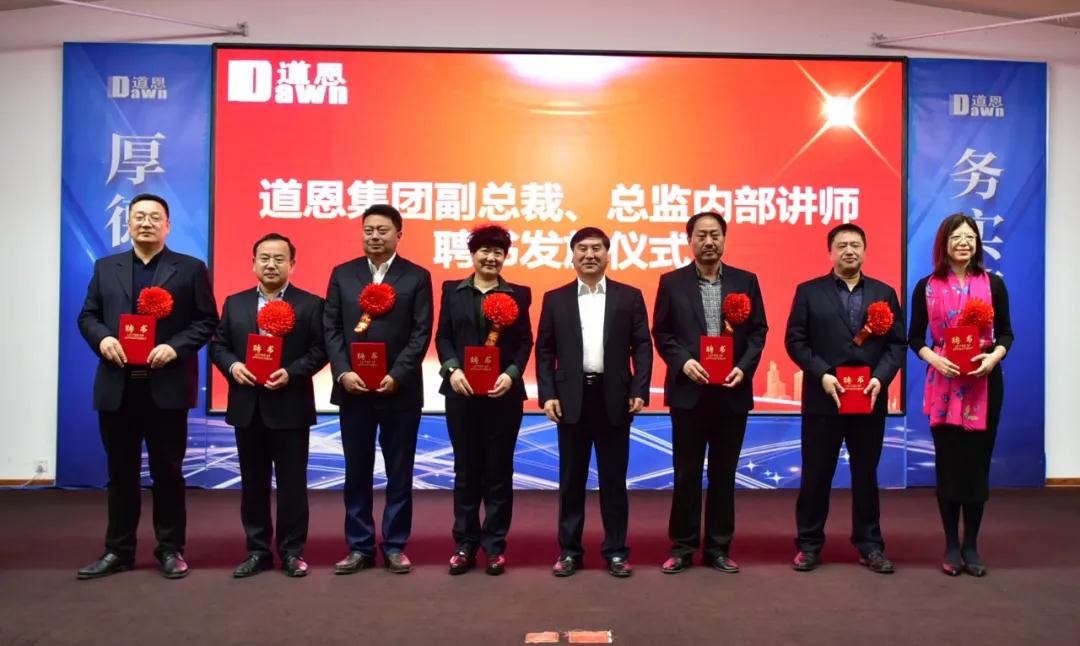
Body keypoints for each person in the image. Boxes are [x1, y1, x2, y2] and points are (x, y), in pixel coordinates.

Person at [76, 193, 219, 580]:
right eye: (138, 216)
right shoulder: (106, 267)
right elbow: (88, 315)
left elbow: (207, 321)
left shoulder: (190, 269)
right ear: (128, 223)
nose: (146, 223)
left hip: (166, 387)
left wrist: (175, 348)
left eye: (155, 217)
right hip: (118, 386)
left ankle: (170, 549)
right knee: (120, 474)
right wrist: (103, 338)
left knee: (168, 473)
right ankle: (117, 551)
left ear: (167, 225)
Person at [784, 223, 905, 574]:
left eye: (855, 244)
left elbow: (897, 344)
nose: (849, 250)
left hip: (868, 399)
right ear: (830, 252)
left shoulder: (884, 293)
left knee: (866, 475)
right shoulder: (809, 292)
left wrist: (880, 378)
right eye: (842, 245)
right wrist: (822, 374)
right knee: (815, 475)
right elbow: (795, 341)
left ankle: (870, 545)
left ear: (865, 250)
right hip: (824, 399)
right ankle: (809, 545)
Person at [652, 212, 767, 574]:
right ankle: (682, 547)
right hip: (690, 391)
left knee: (724, 473)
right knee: (686, 472)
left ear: (724, 239)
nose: (708, 242)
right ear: (690, 241)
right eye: (701, 236)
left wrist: (743, 367)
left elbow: (758, 331)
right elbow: (662, 333)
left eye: (715, 235)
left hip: (732, 391)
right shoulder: (672, 283)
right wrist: (683, 362)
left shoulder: (746, 281)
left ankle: (718, 547)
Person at [536, 226, 652, 578]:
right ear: (572, 256)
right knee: (571, 480)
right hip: (571, 399)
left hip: (614, 398)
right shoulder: (555, 299)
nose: (589, 255)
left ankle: (616, 551)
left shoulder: (629, 297)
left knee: (614, 481)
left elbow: (642, 347)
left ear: (607, 254)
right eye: (582, 249)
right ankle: (569, 551)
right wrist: (548, 394)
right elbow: (545, 352)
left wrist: (639, 389)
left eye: (596, 248)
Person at [324, 204, 434, 575]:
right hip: (353, 390)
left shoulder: (416, 277)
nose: (374, 236)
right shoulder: (343, 274)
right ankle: (359, 546)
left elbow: (421, 332)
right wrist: (342, 372)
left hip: (399, 391)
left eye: (382, 230)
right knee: (356, 470)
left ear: (399, 235)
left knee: (399, 471)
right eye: (368, 229)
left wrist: (398, 373)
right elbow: (331, 328)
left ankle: (395, 545)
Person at [210, 233, 327, 578]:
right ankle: (257, 551)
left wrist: (291, 373)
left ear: (292, 264)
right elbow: (218, 345)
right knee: (253, 484)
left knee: (292, 484)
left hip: (290, 405)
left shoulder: (311, 304)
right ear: (253, 263)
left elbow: (320, 350)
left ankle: (292, 551)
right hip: (248, 407)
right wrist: (233, 366)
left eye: (279, 258)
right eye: (264, 258)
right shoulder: (235, 303)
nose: (271, 264)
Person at [908, 213, 1012, 578]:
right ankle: (952, 543)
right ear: (944, 243)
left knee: (977, 465)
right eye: (956, 237)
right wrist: (934, 358)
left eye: (970, 237)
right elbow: (915, 337)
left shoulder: (994, 284)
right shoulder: (926, 287)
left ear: (977, 243)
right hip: (945, 383)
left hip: (984, 383)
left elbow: (1006, 334)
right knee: (949, 465)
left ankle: (972, 544)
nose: (964, 243)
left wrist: (994, 357)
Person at [435, 225, 533, 576]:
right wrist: (452, 370)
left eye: (498, 252)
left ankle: (494, 546)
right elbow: (443, 337)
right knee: (466, 470)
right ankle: (464, 544)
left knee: (498, 471)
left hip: (502, 395)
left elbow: (525, 341)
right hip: (461, 393)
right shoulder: (452, 290)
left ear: (505, 257)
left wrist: (511, 374)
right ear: (473, 254)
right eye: (485, 251)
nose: (491, 258)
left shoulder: (519, 294)